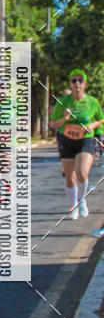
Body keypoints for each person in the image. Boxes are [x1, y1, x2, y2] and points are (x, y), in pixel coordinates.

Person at [50, 69, 103, 219]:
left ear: (85, 84)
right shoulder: (64, 102)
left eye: (80, 80)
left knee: (81, 172)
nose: (77, 83)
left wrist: (92, 126)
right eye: (74, 80)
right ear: (70, 84)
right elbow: (53, 124)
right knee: (69, 176)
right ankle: (73, 206)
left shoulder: (92, 102)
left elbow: (101, 118)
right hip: (67, 141)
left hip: (86, 140)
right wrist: (64, 119)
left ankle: (82, 200)